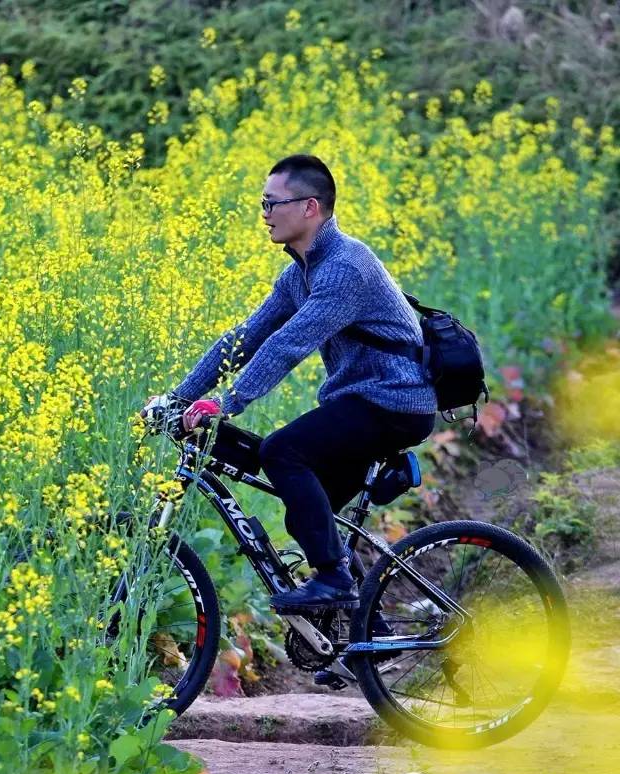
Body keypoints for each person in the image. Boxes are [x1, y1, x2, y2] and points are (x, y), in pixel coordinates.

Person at [142, 154, 436, 612]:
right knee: (308, 515)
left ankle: (336, 581)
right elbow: (243, 339)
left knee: (281, 452)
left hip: (394, 400)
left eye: (272, 203)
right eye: (262, 203)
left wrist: (226, 403)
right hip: (364, 399)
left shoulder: (344, 267)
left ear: (309, 208)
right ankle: (363, 624)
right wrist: (178, 398)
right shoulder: (298, 273)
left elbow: (287, 345)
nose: (264, 214)